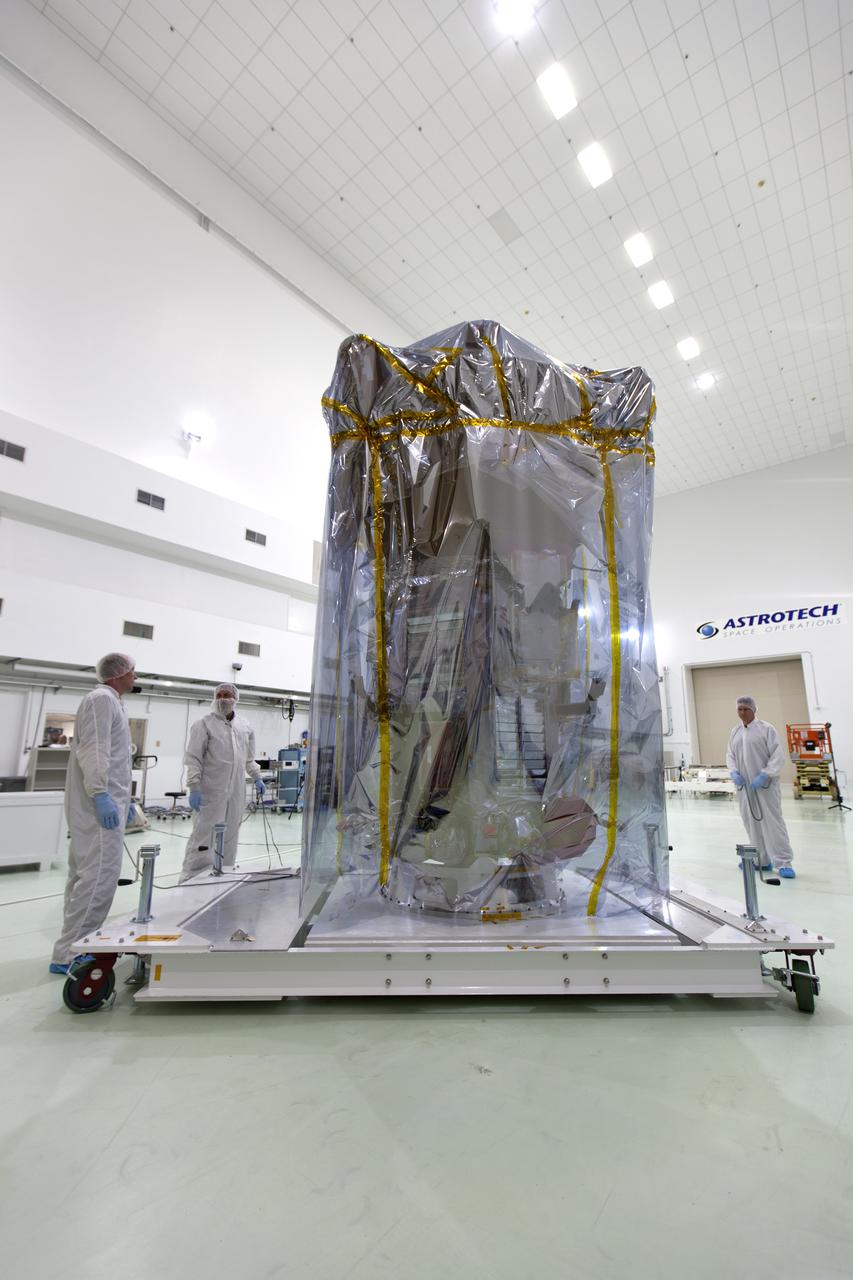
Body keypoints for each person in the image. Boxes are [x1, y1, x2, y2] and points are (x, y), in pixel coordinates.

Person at [49, 653, 136, 974]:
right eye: (132, 672)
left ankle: (69, 945)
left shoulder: (111, 702)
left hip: (106, 804)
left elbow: (112, 754)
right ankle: (73, 951)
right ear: (118, 674)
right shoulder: (101, 700)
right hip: (99, 806)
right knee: (99, 876)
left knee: (85, 874)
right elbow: (94, 749)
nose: (135, 677)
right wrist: (101, 794)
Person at [178, 683, 265, 882]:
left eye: (227, 695)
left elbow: (249, 759)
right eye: (219, 695)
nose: (222, 698)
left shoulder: (245, 726)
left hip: (236, 790)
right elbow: (193, 759)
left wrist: (257, 777)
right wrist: (194, 787)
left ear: (235, 698)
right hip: (210, 790)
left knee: (232, 831)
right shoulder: (204, 724)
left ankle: (225, 871)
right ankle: (192, 875)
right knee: (204, 833)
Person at [726, 695, 796, 878]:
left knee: (773, 822)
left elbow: (778, 755)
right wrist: (733, 772)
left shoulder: (766, 729)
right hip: (745, 788)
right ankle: (761, 860)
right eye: (739, 709)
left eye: (745, 709)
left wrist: (766, 773)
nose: (742, 712)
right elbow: (730, 755)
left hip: (765, 785)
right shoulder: (735, 732)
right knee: (751, 822)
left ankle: (783, 862)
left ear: (754, 710)